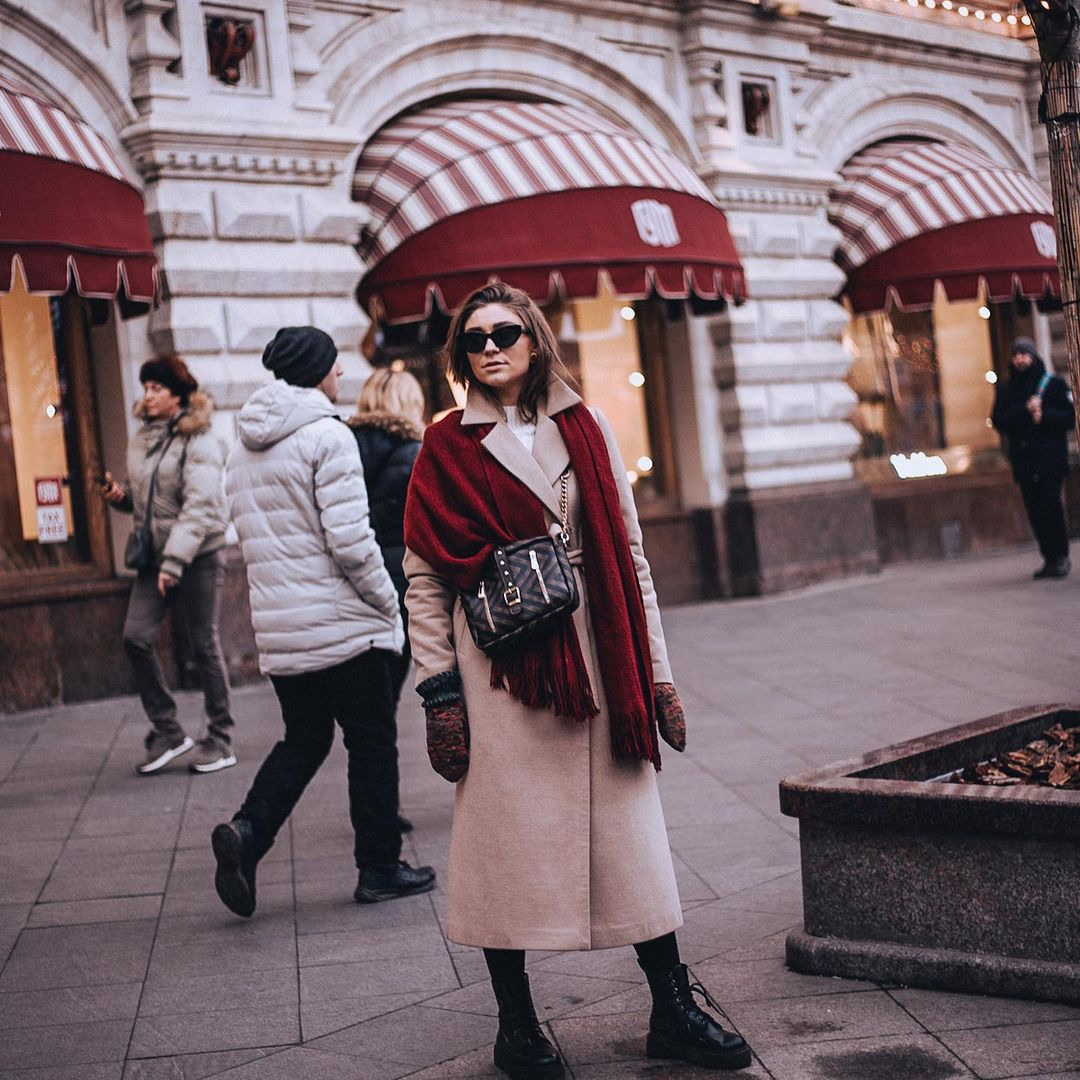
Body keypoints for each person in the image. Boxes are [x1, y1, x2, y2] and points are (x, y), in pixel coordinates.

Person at [403, 283, 753, 1076]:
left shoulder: (586, 426)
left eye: (504, 333)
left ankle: (672, 1006)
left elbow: (629, 556)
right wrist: (438, 692)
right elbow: (424, 579)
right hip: (505, 676)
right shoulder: (446, 445)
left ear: (534, 339)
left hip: (599, 663)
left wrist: (657, 676)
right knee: (503, 853)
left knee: (633, 844)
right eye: (473, 339)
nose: (489, 348)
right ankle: (516, 1024)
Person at [212, 326, 435, 919]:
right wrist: (388, 601)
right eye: (336, 366)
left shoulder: (241, 447)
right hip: (343, 625)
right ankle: (380, 867)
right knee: (371, 741)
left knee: (304, 738)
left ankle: (249, 833)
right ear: (316, 370)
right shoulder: (325, 437)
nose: (342, 377)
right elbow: (350, 541)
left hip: (283, 629)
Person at [102, 355, 234, 775]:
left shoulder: (201, 439)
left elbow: (199, 506)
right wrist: (122, 498)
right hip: (155, 555)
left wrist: (175, 562)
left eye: (156, 388)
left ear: (177, 395)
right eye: (146, 388)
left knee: (202, 644)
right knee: (135, 637)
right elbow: (150, 503)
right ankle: (169, 730)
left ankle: (221, 737)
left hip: (199, 554)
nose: (148, 396)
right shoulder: (143, 437)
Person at [348, 368, 426, 835]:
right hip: (408, 581)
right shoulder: (415, 453)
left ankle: (383, 806)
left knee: (380, 703)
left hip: (364, 581)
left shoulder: (344, 448)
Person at [991, 337, 1075, 579]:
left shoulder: (1054, 385)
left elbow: (1069, 418)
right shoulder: (1007, 390)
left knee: (1051, 506)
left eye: (1024, 354)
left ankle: (1060, 557)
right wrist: (1024, 411)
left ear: (1033, 356)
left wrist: (1044, 417)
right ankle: (1049, 558)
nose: (1020, 358)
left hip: (1050, 461)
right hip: (1025, 463)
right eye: (1016, 354)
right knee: (1036, 512)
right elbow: (999, 420)